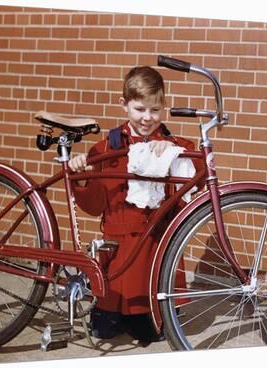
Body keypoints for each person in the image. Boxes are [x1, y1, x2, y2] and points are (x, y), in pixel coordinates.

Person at [68, 66, 203, 344]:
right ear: (124, 105)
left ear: (163, 107)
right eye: (140, 109)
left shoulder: (172, 144)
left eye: (155, 110)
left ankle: (151, 316)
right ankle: (111, 314)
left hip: (155, 249)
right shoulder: (107, 149)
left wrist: (174, 153)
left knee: (151, 333)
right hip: (118, 253)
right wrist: (79, 174)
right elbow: (94, 205)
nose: (147, 118)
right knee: (104, 329)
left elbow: (199, 175)